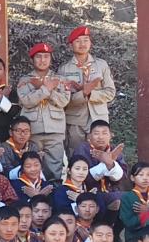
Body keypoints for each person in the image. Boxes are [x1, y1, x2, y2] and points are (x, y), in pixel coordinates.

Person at [16, 43, 71, 181]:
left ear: (51, 59)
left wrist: (43, 90)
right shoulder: (25, 80)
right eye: (38, 57)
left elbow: (64, 101)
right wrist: (46, 89)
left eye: (46, 56)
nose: (42, 60)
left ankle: (54, 197)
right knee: (32, 166)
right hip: (33, 130)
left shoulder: (60, 79)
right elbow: (26, 101)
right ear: (32, 60)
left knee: (55, 167)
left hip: (55, 130)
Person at [58, 25, 115, 154]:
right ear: (71, 45)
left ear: (91, 43)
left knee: (100, 153)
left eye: (85, 40)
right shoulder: (64, 69)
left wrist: (90, 94)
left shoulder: (101, 65)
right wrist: (83, 94)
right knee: (75, 153)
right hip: (75, 120)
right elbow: (64, 100)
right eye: (78, 41)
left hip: (98, 119)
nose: (82, 44)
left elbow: (110, 92)